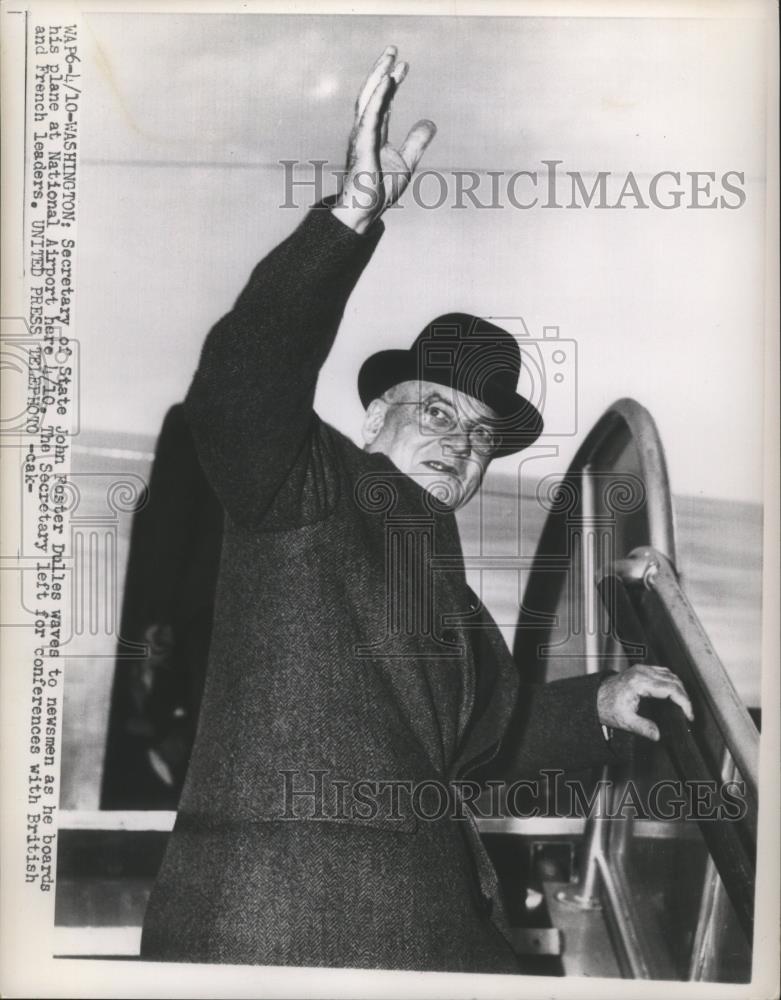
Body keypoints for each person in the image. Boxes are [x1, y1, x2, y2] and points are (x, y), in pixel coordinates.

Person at [140, 47, 692, 973]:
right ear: (372, 418)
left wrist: (601, 700)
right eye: (435, 410)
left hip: (421, 938)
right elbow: (239, 383)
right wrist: (351, 214)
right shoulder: (305, 488)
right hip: (280, 940)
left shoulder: (436, 578)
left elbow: (488, 745)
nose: (460, 442)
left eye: (481, 436)